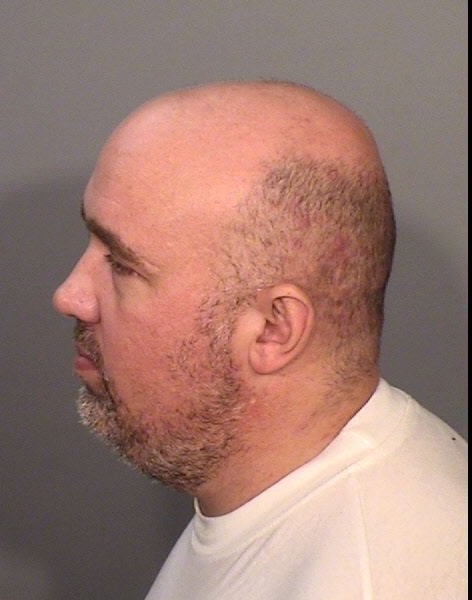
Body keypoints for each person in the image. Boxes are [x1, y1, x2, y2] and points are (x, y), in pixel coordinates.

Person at [53, 81, 467, 599]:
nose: (69, 296)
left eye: (121, 265)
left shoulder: (371, 582)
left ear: (274, 329)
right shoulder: (281, 505)